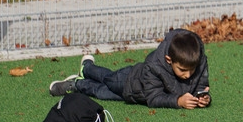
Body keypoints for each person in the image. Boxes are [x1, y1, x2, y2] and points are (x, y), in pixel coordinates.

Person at [48, 29, 211, 110]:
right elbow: (154, 98)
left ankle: (77, 84)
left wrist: (203, 97)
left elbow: (201, 84)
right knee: (107, 78)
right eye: (182, 70)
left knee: (101, 92)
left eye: (192, 70)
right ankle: (87, 68)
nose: (188, 75)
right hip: (129, 81)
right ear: (169, 60)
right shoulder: (154, 65)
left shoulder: (198, 59)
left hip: (134, 97)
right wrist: (178, 101)